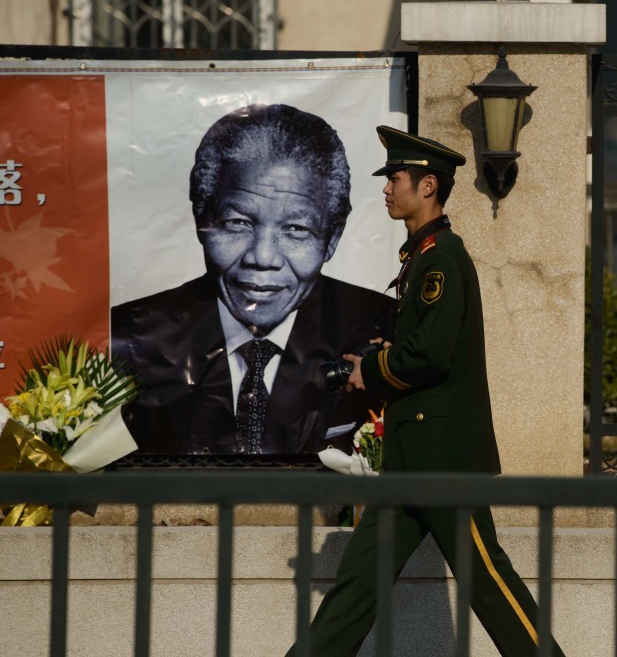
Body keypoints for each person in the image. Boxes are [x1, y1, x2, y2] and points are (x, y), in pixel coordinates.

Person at [289, 126, 565, 656]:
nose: (387, 189)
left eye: (395, 178)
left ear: (428, 187)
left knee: (488, 582)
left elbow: (433, 354)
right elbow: (422, 345)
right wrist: (380, 355)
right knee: (357, 587)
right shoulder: (422, 257)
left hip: (442, 461)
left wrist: (370, 369)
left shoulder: (440, 259)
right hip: (414, 458)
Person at [111, 104, 395, 455]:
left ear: (331, 238)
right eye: (238, 223)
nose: (262, 257)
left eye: (296, 229)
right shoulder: (128, 339)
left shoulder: (384, 328)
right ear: (203, 220)